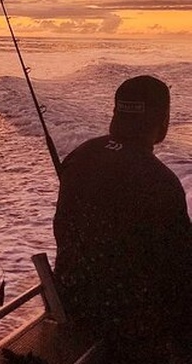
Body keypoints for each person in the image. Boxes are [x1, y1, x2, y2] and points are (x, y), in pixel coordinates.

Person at [53, 75, 191, 363]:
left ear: (116, 114)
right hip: (131, 322)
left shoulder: (81, 154)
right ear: (162, 120)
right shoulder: (159, 181)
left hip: (73, 300)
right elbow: (180, 269)